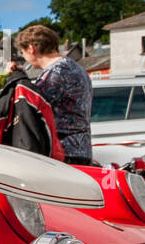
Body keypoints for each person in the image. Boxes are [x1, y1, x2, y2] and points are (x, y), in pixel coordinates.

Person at [16, 24, 92, 164]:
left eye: (23, 52)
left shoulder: (54, 73)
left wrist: (17, 77)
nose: (24, 57)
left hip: (63, 152)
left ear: (31, 48)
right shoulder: (76, 67)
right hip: (82, 148)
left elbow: (34, 108)